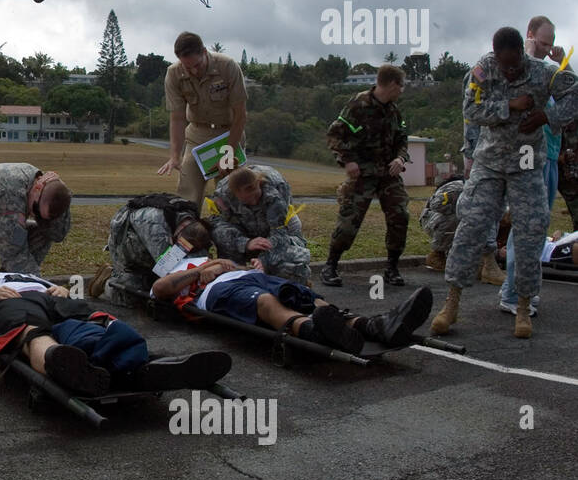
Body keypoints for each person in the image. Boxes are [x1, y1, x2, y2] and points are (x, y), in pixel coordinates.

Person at [431, 27, 578, 339]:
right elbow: (471, 110)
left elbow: (574, 95)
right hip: (490, 161)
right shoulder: (483, 71)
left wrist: (547, 117)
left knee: (531, 230)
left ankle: (523, 306)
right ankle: (452, 303)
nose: (509, 71)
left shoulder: (543, 73)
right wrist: (509, 106)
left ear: (522, 55)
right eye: (504, 64)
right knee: (471, 224)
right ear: (496, 54)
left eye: (514, 65)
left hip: (527, 162)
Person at [0, 270, 231, 398]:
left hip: (49, 296)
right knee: (30, 331)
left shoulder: (24, 275)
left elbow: (55, 290)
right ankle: (61, 363)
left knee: (90, 321)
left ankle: (138, 364)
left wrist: (60, 289)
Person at [150, 255, 433, 355]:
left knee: (301, 294)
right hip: (217, 290)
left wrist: (247, 264)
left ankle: (372, 325)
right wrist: (202, 271)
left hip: (249, 275)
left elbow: (240, 266)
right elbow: (161, 290)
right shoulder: (173, 268)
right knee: (264, 302)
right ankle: (311, 330)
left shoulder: (215, 255)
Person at [321, 63, 410, 288]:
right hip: (363, 173)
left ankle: (392, 267)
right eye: (401, 85)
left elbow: (402, 138)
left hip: (388, 174)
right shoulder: (358, 105)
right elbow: (334, 135)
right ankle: (330, 265)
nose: (402, 90)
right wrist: (348, 160)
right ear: (391, 84)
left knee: (400, 216)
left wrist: (400, 158)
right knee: (350, 221)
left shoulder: (393, 110)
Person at [499, 16, 562, 316]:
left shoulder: (549, 73)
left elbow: (571, 96)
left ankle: (524, 290)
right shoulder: (519, 72)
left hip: (550, 157)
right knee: (525, 225)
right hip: (529, 158)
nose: (549, 48)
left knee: (538, 227)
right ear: (530, 36)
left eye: (552, 43)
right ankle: (513, 293)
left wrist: (563, 64)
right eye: (544, 42)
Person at [157, 31, 248, 208]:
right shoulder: (173, 74)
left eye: (197, 65)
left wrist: (229, 152)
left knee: (232, 195)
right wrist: (175, 156)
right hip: (197, 135)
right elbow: (177, 118)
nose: (193, 71)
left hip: (229, 134)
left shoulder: (227, 66)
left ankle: (233, 233)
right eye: (187, 67)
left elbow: (241, 115)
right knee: (187, 192)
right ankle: (189, 233)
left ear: (204, 52)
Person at [90, 192, 214, 306]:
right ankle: (109, 280)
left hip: (155, 248)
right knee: (136, 297)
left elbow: (197, 257)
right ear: (178, 233)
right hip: (128, 248)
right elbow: (165, 268)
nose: (184, 249)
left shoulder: (193, 223)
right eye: (182, 246)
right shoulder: (155, 226)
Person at [210, 165, 311, 284]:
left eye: (256, 196)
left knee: (289, 260)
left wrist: (264, 259)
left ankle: (293, 287)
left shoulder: (276, 190)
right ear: (234, 194)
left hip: (277, 229)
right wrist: (245, 243)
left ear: (259, 183)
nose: (253, 202)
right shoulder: (222, 196)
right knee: (223, 241)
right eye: (247, 200)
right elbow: (218, 226)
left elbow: (280, 232)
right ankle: (236, 282)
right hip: (243, 228)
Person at [417, 174, 504, 283]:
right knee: (462, 217)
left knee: (483, 218)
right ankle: (437, 254)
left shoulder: (491, 194)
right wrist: (459, 205)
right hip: (433, 220)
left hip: (447, 220)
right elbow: (436, 205)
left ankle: (474, 262)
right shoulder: (458, 188)